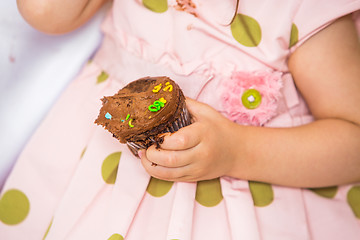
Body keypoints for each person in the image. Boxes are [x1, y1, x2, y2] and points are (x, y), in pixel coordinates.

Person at [1, 0, 360, 239]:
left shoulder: (302, 7)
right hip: (96, 182)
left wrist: (238, 151)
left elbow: (353, 141)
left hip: (239, 212)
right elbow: (45, 11)